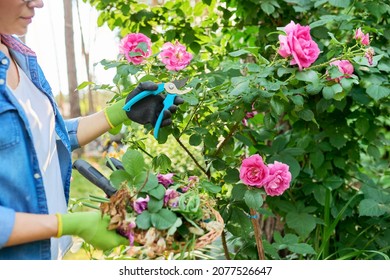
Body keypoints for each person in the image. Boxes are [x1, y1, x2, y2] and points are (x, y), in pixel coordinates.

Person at [0, 0, 183, 260]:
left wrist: (120, 112)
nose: (38, 3)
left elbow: (48, 138)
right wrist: (67, 224)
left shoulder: (21, 57)